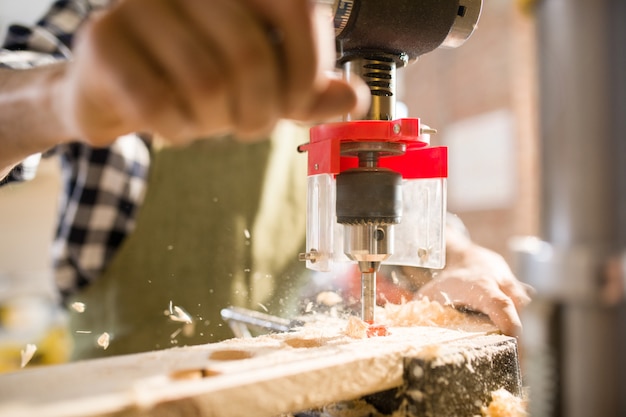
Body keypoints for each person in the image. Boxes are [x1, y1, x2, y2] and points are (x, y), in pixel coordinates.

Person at [0, 0, 530, 360]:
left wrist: (458, 258)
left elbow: (384, 187)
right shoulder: (116, 17)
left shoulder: (335, 62)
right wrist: (59, 94)